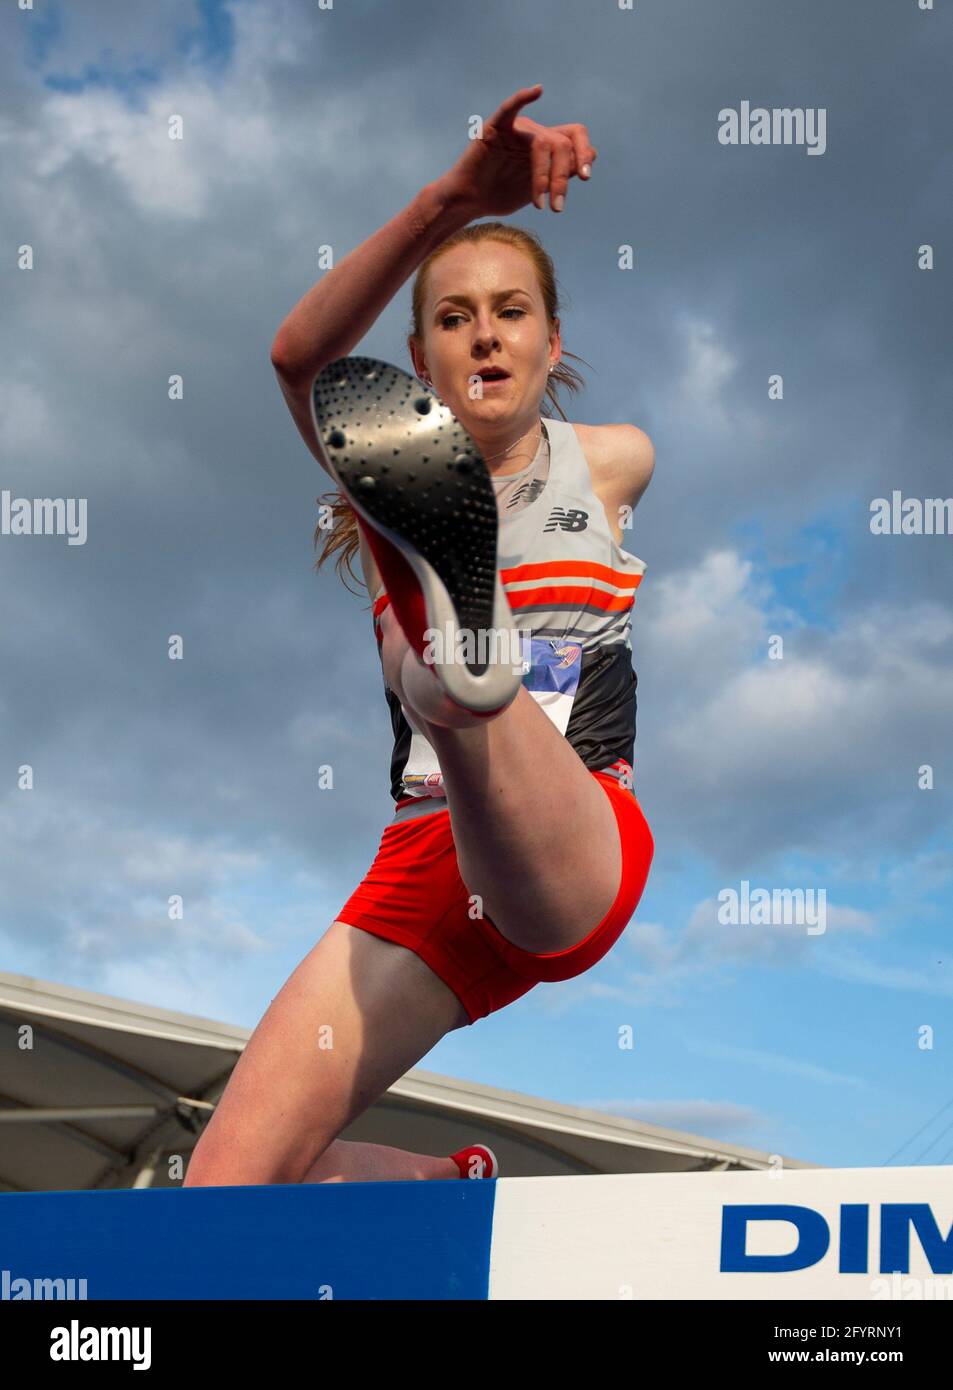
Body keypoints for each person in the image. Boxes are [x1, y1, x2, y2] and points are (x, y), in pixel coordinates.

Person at [184, 85, 655, 1188]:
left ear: (549, 339)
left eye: (507, 311)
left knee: (446, 683)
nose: (482, 331)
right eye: (452, 317)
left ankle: (462, 668)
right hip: (417, 869)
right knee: (226, 1190)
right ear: (418, 355)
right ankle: (450, 1190)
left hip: (565, 835)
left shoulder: (612, 461)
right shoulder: (376, 457)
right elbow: (299, 358)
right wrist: (449, 196)